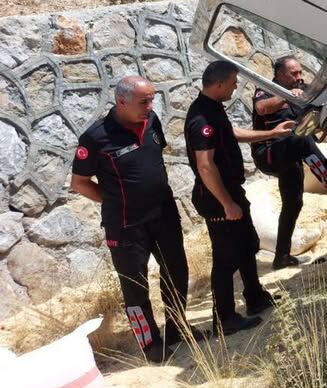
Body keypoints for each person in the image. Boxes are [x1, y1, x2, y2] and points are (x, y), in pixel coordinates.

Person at [70, 75, 193, 363]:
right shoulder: (95, 137)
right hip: (125, 226)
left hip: (164, 216)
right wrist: (116, 200)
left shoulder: (151, 122)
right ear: (121, 102)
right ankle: (150, 343)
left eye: (152, 99)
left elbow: (153, 159)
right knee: (135, 287)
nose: (150, 106)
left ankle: (178, 329)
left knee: (177, 271)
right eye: (144, 101)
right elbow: (80, 183)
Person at [184, 60, 294, 334]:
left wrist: (271, 133)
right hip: (217, 197)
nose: (236, 87)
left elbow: (232, 133)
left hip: (232, 190)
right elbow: (205, 166)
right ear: (219, 84)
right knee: (226, 258)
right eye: (233, 83)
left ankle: (255, 297)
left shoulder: (213, 110)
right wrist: (227, 203)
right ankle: (224, 319)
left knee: (247, 245)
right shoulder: (201, 119)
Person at [251, 55, 327, 270]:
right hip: (269, 153)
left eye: (300, 72)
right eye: (293, 73)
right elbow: (262, 108)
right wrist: (286, 96)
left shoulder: (305, 88)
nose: (299, 77)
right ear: (279, 75)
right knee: (301, 138)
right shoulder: (267, 89)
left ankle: (282, 257)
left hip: (292, 156)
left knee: (293, 204)